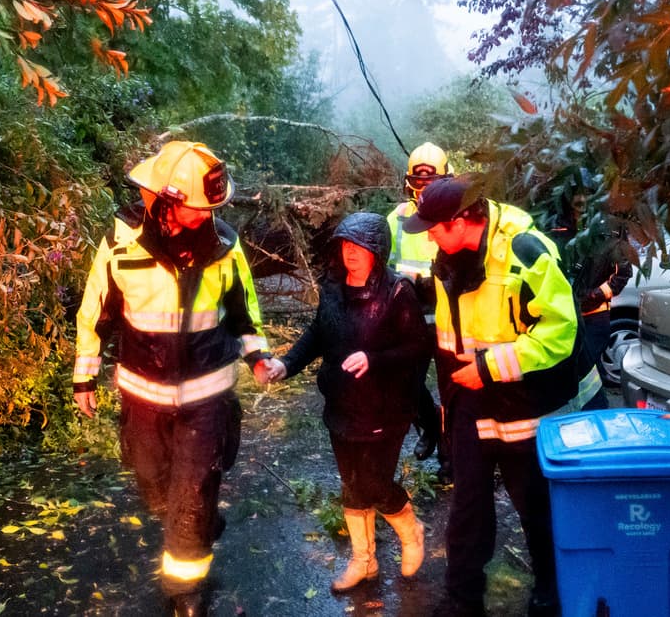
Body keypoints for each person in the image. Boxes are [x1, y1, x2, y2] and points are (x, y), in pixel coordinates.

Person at [72, 141, 275, 617]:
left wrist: (259, 356)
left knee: (190, 494)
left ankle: (185, 593)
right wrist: (85, 377)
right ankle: (198, 521)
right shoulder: (120, 243)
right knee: (153, 484)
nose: (206, 217)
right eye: (196, 208)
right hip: (142, 397)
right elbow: (95, 311)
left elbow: (244, 311)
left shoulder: (224, 244)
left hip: (207, 399)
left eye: (211, 209)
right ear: (166, 201)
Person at [402, 176, 579, 617]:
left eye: (434, 228)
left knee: (535, 505)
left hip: (521, 401)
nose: (429, 238)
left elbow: (561, 330)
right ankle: (462, 599)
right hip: (467, 398)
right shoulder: (447, 255)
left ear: (462, 221)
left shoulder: (526, 251)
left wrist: (489, 368)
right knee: (467, 506)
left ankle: (551, 590)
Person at [264, 212, 431, 592]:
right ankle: (363, 560)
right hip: (341, 404)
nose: (350, 252)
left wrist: (375, 359)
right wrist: (286, 364)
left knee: (374, 482)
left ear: (378, 250)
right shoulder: (333, 288)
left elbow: (418, 347)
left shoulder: (397, 292)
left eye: (360, 246)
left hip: (386, 408)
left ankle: (412, 531)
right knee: (352, 484)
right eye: (345, 244)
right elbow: (317, 333)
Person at [385, 142, 451, 477]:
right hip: (409, 318)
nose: (423, 187)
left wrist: (434, 281)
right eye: (418, 180)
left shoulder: (456, 215)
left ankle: (451, 456)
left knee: (453, 389)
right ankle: (430, 424)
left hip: (449, 320)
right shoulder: (396, 218)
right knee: (403, 384)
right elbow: (382, 266)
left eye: (431, 181)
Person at [550, 182, 632, 409]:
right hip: (563, 317)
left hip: (594, 317)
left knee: (586, 378)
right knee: (565, 379)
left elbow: (623, 273)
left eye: (587, 193)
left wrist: (595, 295)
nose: (582, 199)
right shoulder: (555, 226)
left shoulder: (612, 228)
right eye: (577, 192)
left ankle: (594, 415)